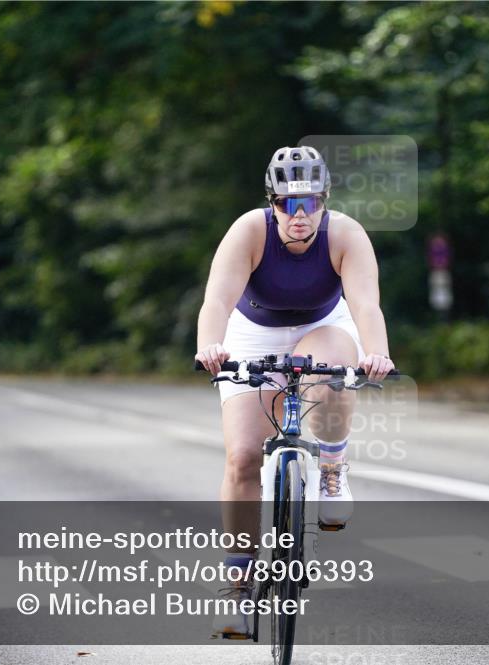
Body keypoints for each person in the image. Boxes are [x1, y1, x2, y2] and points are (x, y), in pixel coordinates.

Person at [195, 146, 395, 637]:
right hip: (252, 331)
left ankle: (331, 466)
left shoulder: (346, 234)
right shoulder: (249, 231)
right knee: (243, 456)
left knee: (330, 371)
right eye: (287, 204)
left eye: (309, 204)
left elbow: (366, 305)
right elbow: (217, 299)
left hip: (324, 324)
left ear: (324, 201)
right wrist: (209, 347)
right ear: (272, 202)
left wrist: (378, 353)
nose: (299, 216)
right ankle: (238, 591)